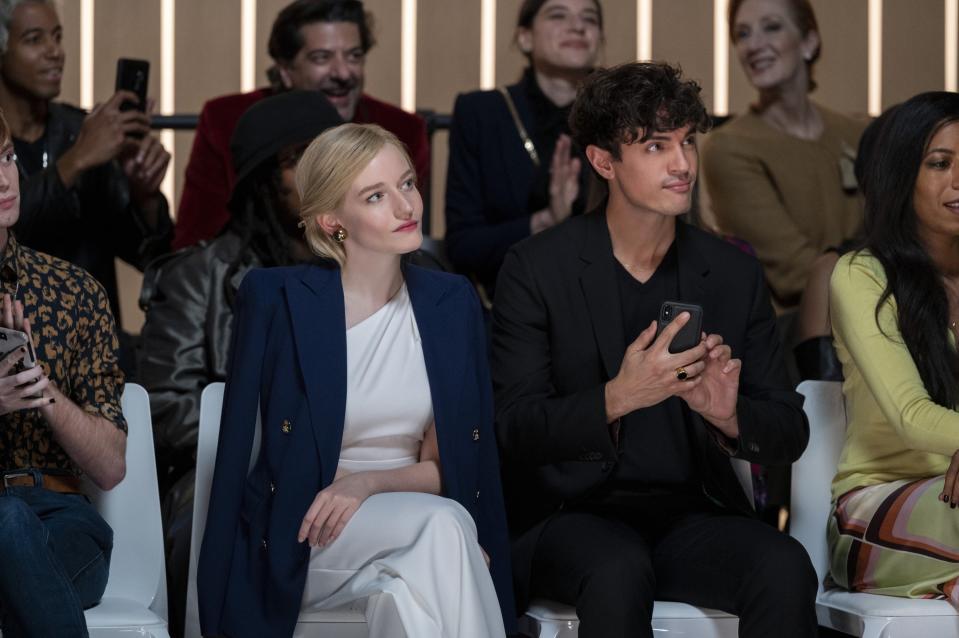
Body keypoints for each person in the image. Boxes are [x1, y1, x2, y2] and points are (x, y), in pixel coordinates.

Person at [492, 61, 817, 638]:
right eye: (655, 146)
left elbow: (789, 429)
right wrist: (617, 398)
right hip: (570, 518)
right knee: (617, 570)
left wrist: (729, 414)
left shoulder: (732, 273)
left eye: (687, 142)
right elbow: (513, 427)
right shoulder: (538, 268)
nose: (683, 164)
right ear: (603, 162)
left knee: (783, 565)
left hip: (691, 514)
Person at [198, 123, 515, 638]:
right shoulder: (276, 297)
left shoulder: (450, 303)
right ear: (332, 221)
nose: (405, 206)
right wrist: (220, 596)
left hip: (418, 524)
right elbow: (239, 454)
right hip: (310, 530)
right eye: (376, 196)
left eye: (407, 184)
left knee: (418, 585)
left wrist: (366, 484)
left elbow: (455, 466)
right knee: (447, 531)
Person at [137, 90, 342, 638]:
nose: (322, 170)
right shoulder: (197, 276)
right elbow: (165, 409)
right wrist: (280, 442)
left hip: (357, 475)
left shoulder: (385, 271)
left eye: (332, 151)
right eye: (298, 157)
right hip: (227, 475)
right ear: (259, 180)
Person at [0, 109, 127, 637]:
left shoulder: (74, 292)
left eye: (6, 158)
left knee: (13, 525)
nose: (5, 179)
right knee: (6, 522)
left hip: (62, 519)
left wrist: (42, 390)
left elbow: (112, 468)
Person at [828, 91, 959, 604]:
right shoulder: (862, 274)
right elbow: (911, 416)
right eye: (940, 163)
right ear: (903, 175)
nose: (957, 180)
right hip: (874, 509)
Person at [174, 0, 429, 250]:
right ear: (285, 70)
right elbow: (196, 242)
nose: (343, 73)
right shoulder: (229, 120)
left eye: (354, 56)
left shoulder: (400, 129)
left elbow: (405, 235)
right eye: (321, 58)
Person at [0, 0, 172, 326]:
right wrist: (77, 160)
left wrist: (143, 196)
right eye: (35, 39)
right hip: (14, 341)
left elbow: (150, 260)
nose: (55, 51)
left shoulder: (82, 129)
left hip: (93, 340)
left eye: (58, 37)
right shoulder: (87, 143)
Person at [702, 0, 865, 312]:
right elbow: (795, 273)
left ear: (809, 42)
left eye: (772, 27)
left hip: (881, 312)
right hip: (798, 336)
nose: (754, 45)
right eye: (743, 34)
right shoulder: (729, 147)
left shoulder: (857, 133)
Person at [445, 0, 600, 298]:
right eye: (558, 15)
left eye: (590, 19)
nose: (578, 27)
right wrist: (546, 221)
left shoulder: (619, 119)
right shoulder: (482, 113)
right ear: (525, 37)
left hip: (599, 299)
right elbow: (462, 246)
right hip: (506, 299)